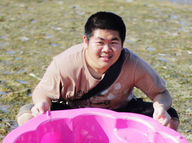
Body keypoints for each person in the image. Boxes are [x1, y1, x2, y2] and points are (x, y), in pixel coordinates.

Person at [17, 11, 179, 130]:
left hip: (120, 115)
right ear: (86, 41)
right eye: (100, 42)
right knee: (27, 114)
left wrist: (160, 108)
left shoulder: (133, 64)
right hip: (75, 115)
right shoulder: (65, 63)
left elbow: (162, 94)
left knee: (170, 117)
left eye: (114, 42)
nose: (107, 49)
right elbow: (41, 92)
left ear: (122, 43)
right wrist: (42, 103)